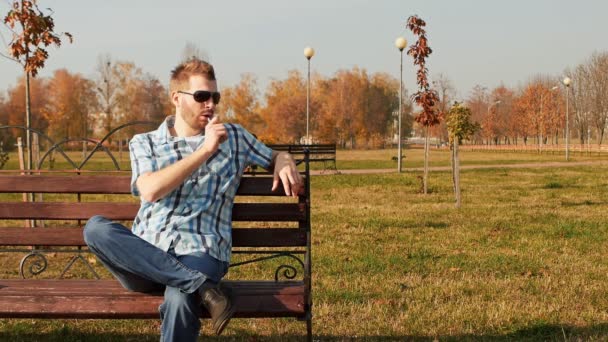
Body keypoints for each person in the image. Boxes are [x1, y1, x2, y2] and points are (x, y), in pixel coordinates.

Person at [83, 58, 303, 341]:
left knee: (179, 297)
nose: (210, 104)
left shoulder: (234, 137)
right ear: (176, 98)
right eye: (201, 96)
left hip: (201, 251)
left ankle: (194, 285)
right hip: (145, 259)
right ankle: (203, 288)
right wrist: (205, 151)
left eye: (215, 97)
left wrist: (284, 159)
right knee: (96, 228)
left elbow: (272, 155)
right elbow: (149, 190)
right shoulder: (145, 142)